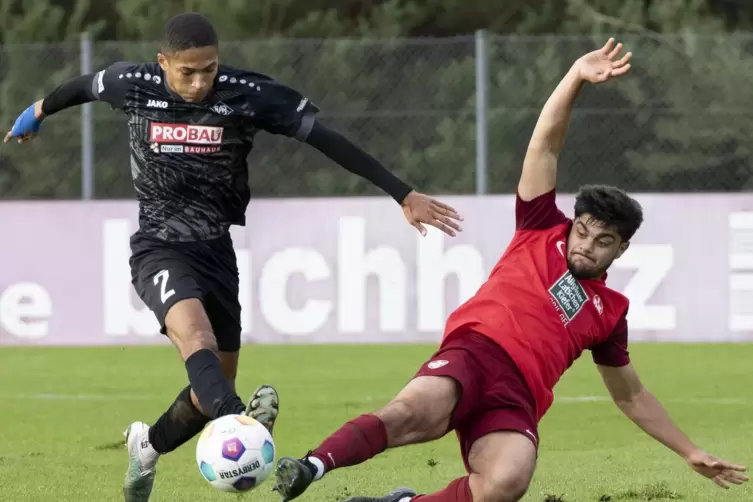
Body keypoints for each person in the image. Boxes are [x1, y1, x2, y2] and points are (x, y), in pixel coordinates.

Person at [3, 12, 464, 502]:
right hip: (159, 247)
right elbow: (82, 87)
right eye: (188, 72)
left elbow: (327, 140)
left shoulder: (246, 94)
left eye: (210, 69)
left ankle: (148, 447)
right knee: (196, 338)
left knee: (209, 390)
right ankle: (241, 424)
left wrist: (402, 193)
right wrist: (38, 109)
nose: (202, 82)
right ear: (163, 63)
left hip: (216, 252)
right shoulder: (131, 83)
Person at [270, 38, 749, 502]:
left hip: (517, 395)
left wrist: (690, 452)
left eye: (604, 242)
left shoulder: (610, 313)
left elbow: (631, 396)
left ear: (620, 251)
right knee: (418, 413)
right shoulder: (540, 225)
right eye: (583, 231)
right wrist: (575, 78)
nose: (586, 246)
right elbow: (545, 148)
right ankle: (312, 466)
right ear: (573, 222)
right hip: (474, 353)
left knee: (507, 480)